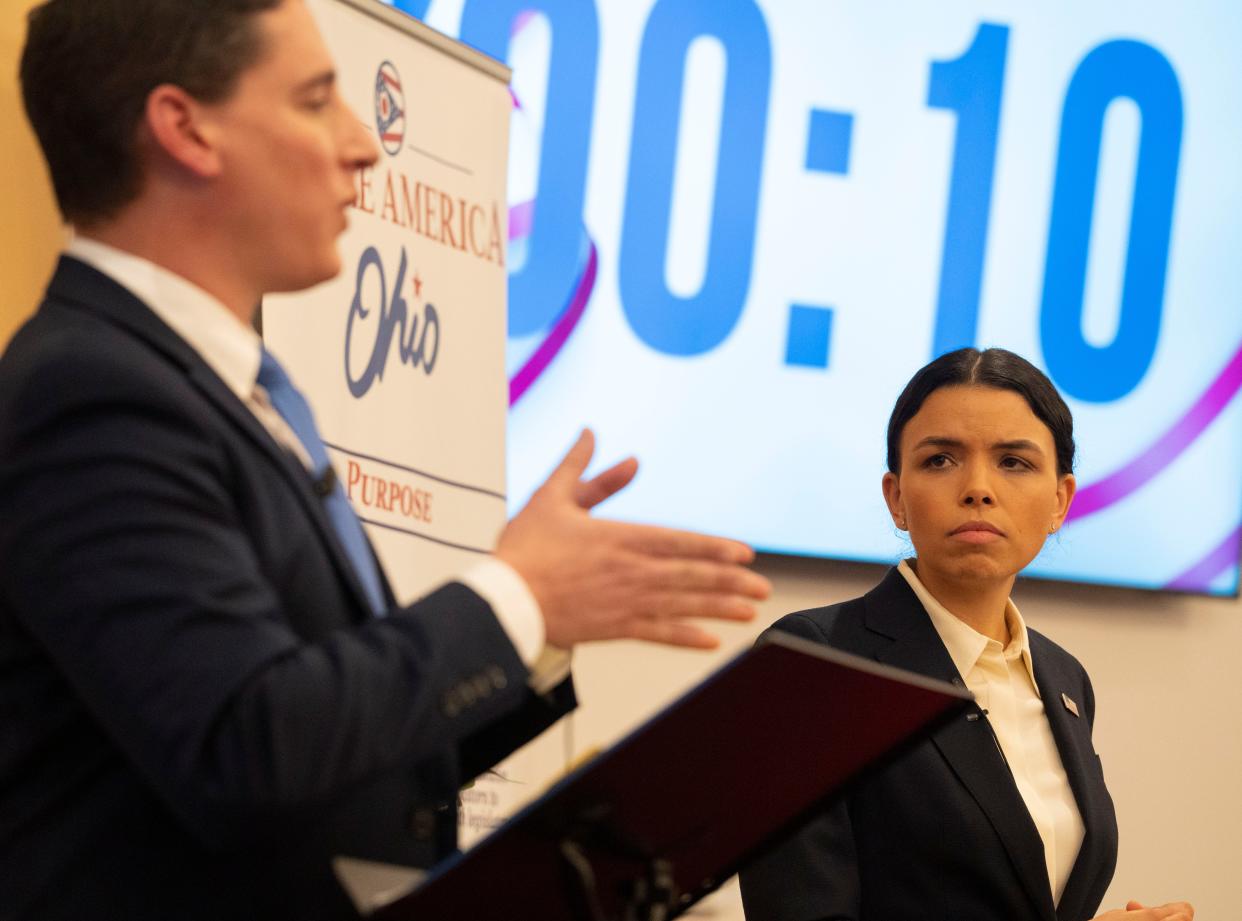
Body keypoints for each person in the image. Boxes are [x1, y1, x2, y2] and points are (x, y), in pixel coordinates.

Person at [0, 1, 770, 918]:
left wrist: (543, 631)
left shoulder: (228, 389)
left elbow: (354, 770)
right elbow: (246, 748)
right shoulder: (91, 391)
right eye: (317, 100)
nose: (364, 145)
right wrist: (514, 596)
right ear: (185, 128)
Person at [738, 348, 1193, 921]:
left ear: (1060, 501)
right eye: (940, 461)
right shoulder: (817, 658)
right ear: (896, 498)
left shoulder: (1063, 678)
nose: (978, 487)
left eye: (1014, 462)